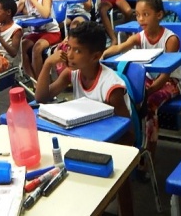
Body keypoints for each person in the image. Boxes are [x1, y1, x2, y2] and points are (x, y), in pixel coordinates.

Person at [35, 21, 134, 216]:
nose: (69, 55)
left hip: (114, 141)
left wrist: (114, 154)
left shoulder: (111, 86)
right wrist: (47, 64)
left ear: (95, 56)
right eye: (69, 47)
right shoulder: (71, 73)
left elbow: (128, 130)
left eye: (77, 51)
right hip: (85, 137)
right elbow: (42, 97)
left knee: (121, 174)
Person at [102, 0, 181, 175]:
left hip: (170, 82)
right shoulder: (140, 36)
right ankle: (133, 143)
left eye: (145, 14)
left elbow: (166, 74)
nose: (140, 19)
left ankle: (149, 155)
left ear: (159, 15)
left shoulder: (170, 39)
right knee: (127, 95)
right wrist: (103, 54)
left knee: (150, 103)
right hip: (149, 80)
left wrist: (149, 91)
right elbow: (120, 48)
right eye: (137, 15)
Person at [16, 0, 62, 80]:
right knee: (21, 47)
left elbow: (45, 14)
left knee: (37, 48)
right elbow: (15, 13)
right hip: (36, 32)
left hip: (51, 32)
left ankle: (41, 81)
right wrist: (21, 1)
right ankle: (32, 79)